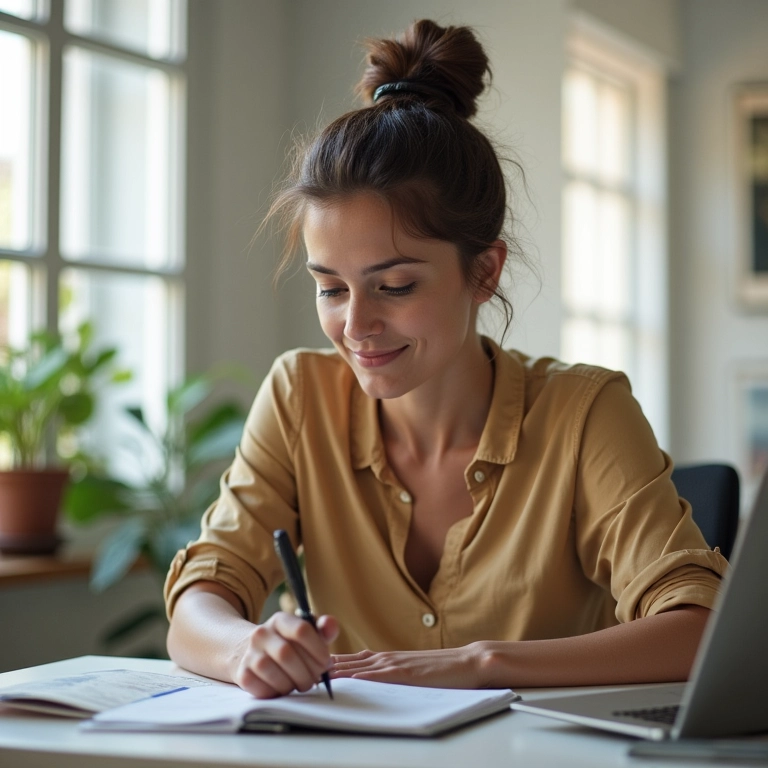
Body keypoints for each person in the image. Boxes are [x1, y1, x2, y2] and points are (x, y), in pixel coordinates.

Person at [164, 19, 727, 700]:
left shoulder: (585, 413)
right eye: (330, 288)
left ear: (484, 272)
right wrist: (246, 648)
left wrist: (484, 664)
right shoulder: (298, 395)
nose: (356, 325)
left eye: (395, 286)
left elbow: (699, 630)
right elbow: (202, 598)